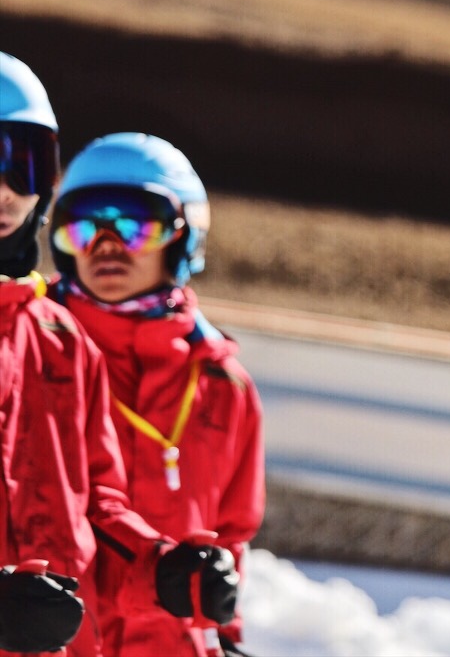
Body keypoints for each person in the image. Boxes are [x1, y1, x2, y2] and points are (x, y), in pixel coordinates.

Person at [0, 55, 238, 657]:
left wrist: (163, 571)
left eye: (26, 162)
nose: (6, 187)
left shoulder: (56, 340)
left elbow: (96, 510)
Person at [47, 132, 263, 657]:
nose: (107, 246)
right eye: (85, 226)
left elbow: (230, 537)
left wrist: (224, 633)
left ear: (184, 236)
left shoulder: (221, 384)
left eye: (135, 223)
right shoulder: (32, 357)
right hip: (54, 640)